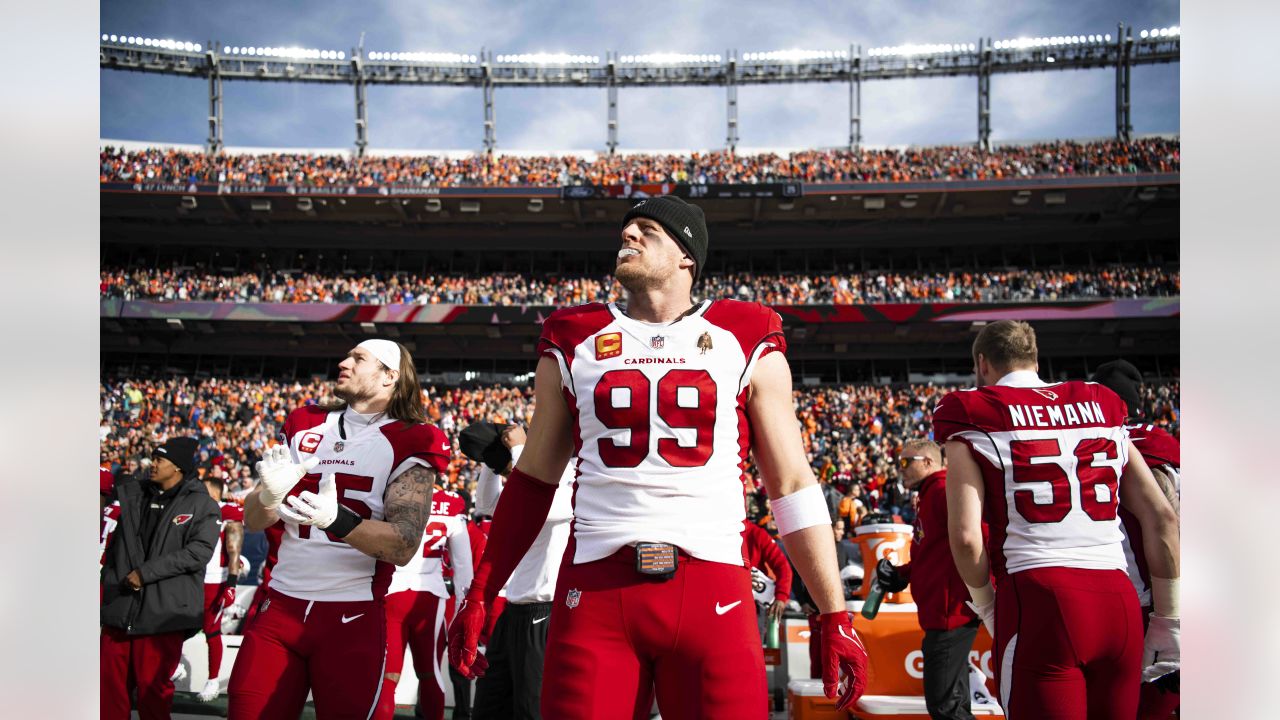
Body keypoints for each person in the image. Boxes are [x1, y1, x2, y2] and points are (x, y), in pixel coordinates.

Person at [447, 195, 869, 718]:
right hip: (597, 589)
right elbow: (534, 479)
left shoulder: (745, 332)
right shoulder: (573, 335)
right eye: (626, 229)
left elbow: (790, 484)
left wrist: (833, 613)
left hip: (712, 583)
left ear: (687, 256)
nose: (628, 236)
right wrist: (483, 589)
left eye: (646, 230)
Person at [935, 320, 1180, 719]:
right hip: (1119, 598)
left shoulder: (969, 410)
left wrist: (988, 608)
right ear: (1034, 358)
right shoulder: (1102, 402)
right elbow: (1162, 517)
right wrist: (1170, 619)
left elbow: (965, 537)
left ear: (982, 363)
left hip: (1041, 596)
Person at [229, 339, 452, 719]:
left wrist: (338, 521)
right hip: (280, 605)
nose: (343, 362)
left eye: (358, 358)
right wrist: (268, 494)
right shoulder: (305, 422)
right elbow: (253, 519)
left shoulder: (413, 438)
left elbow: (403, 544)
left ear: (389, 376)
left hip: (353, 614)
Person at [101, 436, 220, 720]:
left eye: (160, 460)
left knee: (153, 694)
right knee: (108, 691)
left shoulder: (202, 505)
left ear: (177, 467)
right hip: (121, 609)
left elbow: (198, 553)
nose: (152, 464)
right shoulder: (134, 495)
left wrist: (145, 574)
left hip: (163, 613)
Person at [1090, 359, 1182, 720]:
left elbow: (1165, 519)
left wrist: (1167, 614)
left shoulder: (1126, 443)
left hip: (1149, 598)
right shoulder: (1164, 440)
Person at [468, 423, 575, 720]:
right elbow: (488, 504)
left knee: (531, 709)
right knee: (489, 708)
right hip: (514, 609)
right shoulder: (540, 468)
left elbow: (542, 506)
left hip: (546, 610)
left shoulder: (580, 471)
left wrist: (519, 451)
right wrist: (494, 462)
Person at [875, 439, 986, 720]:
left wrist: (985, 593)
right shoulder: (931, 493)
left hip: (951, 612)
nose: (899, 469)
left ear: (927, 462)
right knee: (954, 705)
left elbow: (979, 536)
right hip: (945, 611)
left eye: (905, 462)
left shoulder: (942, 491)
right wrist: (901, 575)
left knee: (945, 706)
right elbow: (933, 552)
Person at [372, 484, 473, 720]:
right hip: (429, 595)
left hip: (392, 590)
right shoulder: (452, 502)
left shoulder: (390, 491)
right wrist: (462, 607)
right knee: (430, 671)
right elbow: (463, 564)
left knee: (388, 675)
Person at [194, 474, 244, 702]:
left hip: (214, 579)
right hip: (191, 575)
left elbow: (234, 550)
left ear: (214, 492)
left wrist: (231, 585)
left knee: (211, 630)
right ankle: (172, 668)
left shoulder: (228, 512)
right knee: (175, 622)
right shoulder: (196, 508)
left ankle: (213, 680)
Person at [741, 517, 793, 643]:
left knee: (752, 650)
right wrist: (740, 577)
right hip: (723, 602)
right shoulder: (715, 532)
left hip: (752, 606)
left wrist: (781, 597)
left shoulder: (756, 533)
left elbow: (783, 568)